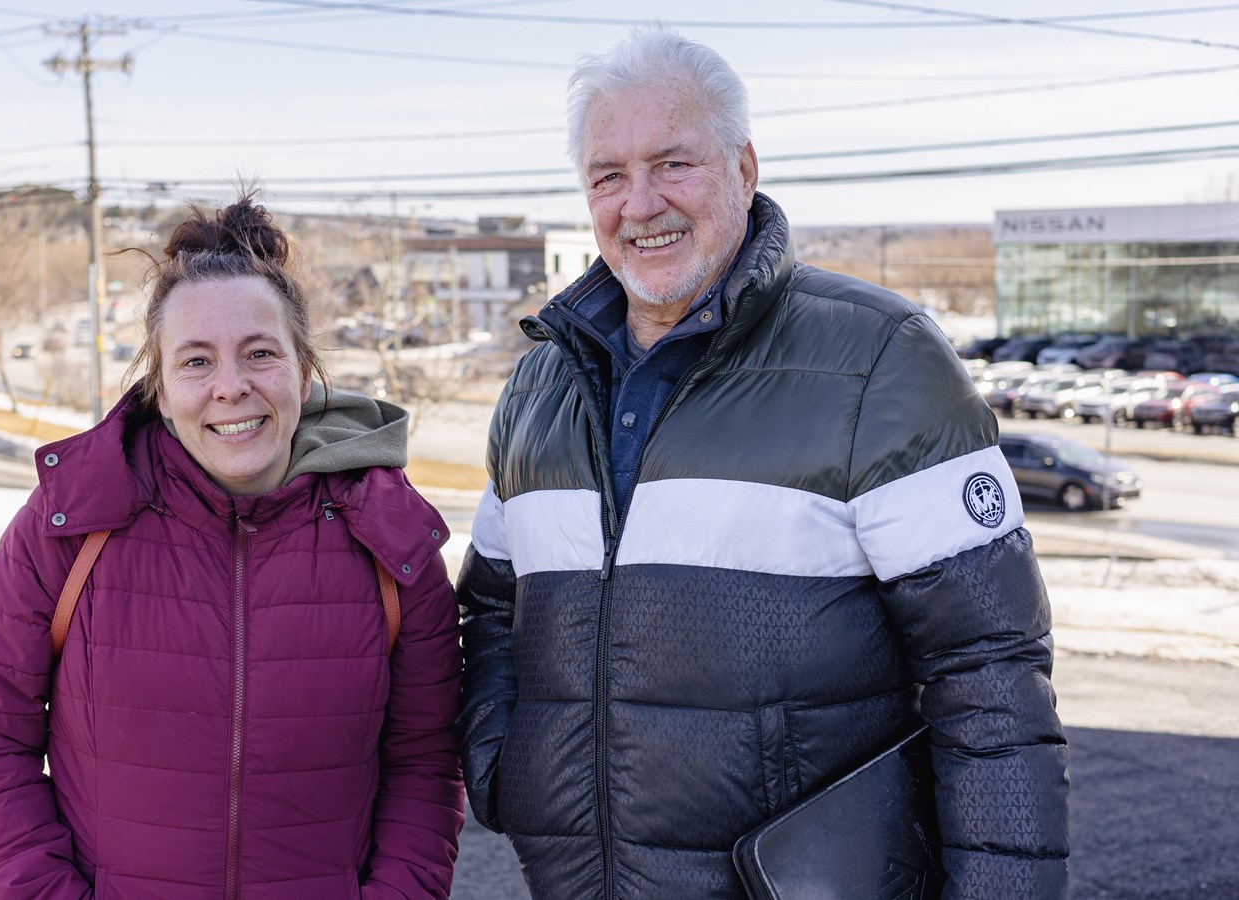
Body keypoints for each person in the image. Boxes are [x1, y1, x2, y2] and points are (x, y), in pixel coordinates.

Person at [455, 27, 1069, 900]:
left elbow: (989, 675)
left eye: (674, 163)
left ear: (744, 168)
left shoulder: (879, 361)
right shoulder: (540, 385)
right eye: (608, 177)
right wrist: (504, 765)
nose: (640, 203)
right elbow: (489, 611)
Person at [0, 195, 465, 899]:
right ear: (159, 384)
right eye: (195, 361)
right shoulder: (69, 525)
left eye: (259, 354)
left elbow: (425, 763)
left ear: (302, 375)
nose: (230, 387)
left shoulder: (391, 543)